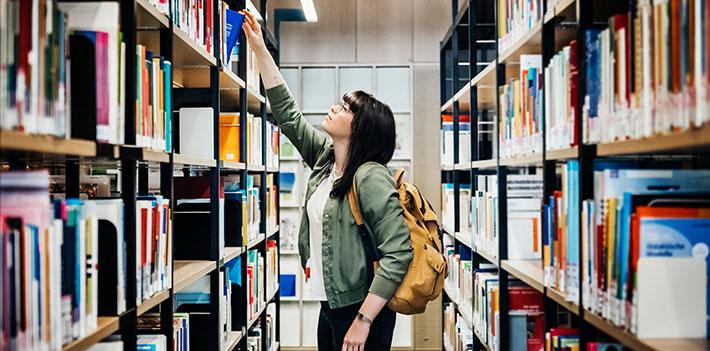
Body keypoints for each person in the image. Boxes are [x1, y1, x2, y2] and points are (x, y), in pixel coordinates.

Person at [241, 10, 413, 351]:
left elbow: (399, 253)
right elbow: (288, 116)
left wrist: (363, 322)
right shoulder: (325, 159)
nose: (334, 108)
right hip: (330, 303)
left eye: (346, 109)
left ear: (361, 129)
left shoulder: (371, 176)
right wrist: (260, 48)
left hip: (361, 311)